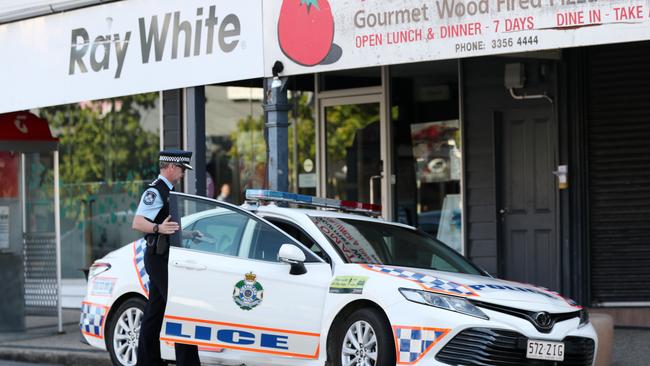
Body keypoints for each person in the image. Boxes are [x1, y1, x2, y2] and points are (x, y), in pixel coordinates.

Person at [133, 149, 200, 366]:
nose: (182, 174)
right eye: (181, 169)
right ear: (171, 167)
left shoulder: (167, 190)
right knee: (181, 308)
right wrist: (158, 227)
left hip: (164, 257)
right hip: (159, 258)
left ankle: (147, 361)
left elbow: (165, 225)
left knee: (155, 312)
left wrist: (186, 234)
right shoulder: (155, 191)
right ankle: (187, 362)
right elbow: (138, 222)